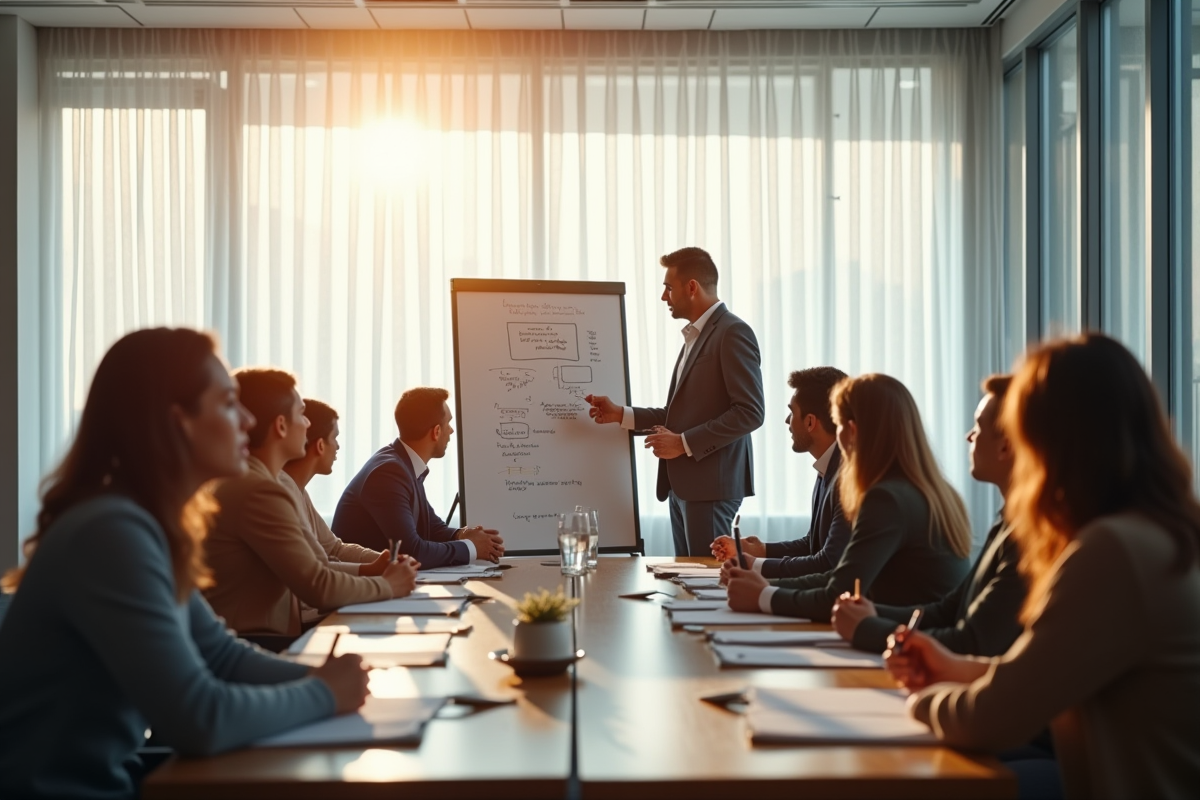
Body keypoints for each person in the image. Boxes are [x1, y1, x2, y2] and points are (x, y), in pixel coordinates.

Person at [0, 328, 369, 800]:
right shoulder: (110, 533)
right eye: (228, 402)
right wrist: (324, 693)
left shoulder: (143, 524)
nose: (248, 419)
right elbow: (199, 717)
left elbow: (219, 654)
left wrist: (320, 675)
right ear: (179, 423)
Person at [886, 334, 1200, 800]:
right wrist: (957, 668)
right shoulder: (1158, 534)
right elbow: (1046, 672)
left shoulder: (1112, 550)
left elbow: (989, 719)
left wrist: (911, 703)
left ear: (1051, 443)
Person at [725, 373, 970, 621]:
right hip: (919, 639)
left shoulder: (886, 498)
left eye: (838, 424)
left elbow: (836, 591)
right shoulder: (930, 490)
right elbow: (842, 577)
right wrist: (763, 585)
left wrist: (763, 595)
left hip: (907, 648)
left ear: (850, 430)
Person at [204, 369, 417, 638]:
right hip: (255, 641)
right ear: (281, 426)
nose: (307, 424)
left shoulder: (263, 481)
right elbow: (319, 586)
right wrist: (387, 585)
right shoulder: (260, 490)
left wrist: (373, 571)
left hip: (258, 638)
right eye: (301, 413)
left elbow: (321, 559)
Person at [586, 246, 765, 556]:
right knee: (689, 580)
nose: (664, 297)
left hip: (710, 489)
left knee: (706, 584)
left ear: (691, 287)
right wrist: (620, 414)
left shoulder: (732, 332)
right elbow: (678, 413)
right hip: (683, 487)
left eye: (668, 287)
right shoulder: (696, 337)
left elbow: (750, 412)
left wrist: (682, 443)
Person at [832, 374, 1026, 655]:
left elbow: (971, 643)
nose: (969, 435)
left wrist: (867, 628)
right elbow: (947, 610)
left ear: (1005, 445)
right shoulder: (1006, 521)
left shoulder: (1029, 535)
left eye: (978, 426)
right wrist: (871, 613)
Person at [334, 387, 505, 568]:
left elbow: (431, 527)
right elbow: (412, 552)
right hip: (362, 589)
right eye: (449, 423)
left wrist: (462, 535)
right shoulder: (389, 472)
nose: (452, 431)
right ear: (436, 431)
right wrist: (471, 548)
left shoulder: (403, 464)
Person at [711, 367, 851, 579]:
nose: (787, 420)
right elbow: (813, 544)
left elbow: (827, 562)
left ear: (810, 422)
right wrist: (759, 550)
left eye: (792, 412)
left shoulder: (848, 477)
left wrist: (754, 566)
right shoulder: (828, 466)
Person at [282, 399, 391, 577]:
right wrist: (372, 570)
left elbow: (334, 549)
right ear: (320, 445)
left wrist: (386, 560)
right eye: (335, 438)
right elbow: (313, 568)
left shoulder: (298, 490)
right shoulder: (283, 489)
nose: (338, 446)